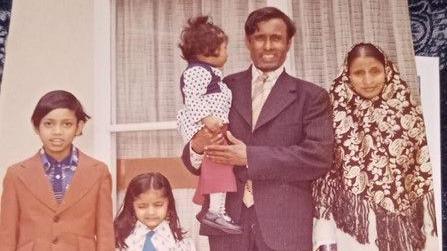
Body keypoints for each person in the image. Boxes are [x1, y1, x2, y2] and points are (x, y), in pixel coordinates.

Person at [181, 7, 334, 251]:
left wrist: (249, 157)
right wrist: (198, 145)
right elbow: (192, 163)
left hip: (285, 228)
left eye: (276, 38)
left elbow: (319, 157)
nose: (268, 46)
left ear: (289, 43)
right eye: (260, 38)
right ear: (248, 41)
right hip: (227, 227)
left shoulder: (312, 97)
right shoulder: (221, 88)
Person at [312, 43, 438, 251]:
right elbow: (326, 189)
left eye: (375, 71)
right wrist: (324, 241)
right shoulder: (332, 119)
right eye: (359, 73)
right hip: (354, 232)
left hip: (412, 230)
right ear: (347, 75)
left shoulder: (411, 116)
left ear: (387, 70)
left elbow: (426, 181)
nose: (368, 81)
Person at [0, 90, 114, 250]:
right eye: (49, 124)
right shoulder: (16, 175)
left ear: (79, 127)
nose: (57, 131)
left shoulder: (99, 172)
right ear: (36, 126)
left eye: (67, 124)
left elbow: (105, 234)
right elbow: (6, 236)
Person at [177, 16, 241, 234]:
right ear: (207, 51)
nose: (228, 53)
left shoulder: (213, 73)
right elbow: (192, 100)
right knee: (219, 165)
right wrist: (206, 119)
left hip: (215, 127)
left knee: (220, 167)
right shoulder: (196, 72)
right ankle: (214, 211)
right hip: (204, 128)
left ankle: (217, 210)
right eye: (224, 48)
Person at [114, 172, 196, 251]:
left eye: (158, 205)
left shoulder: (182, 243)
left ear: (169, 204)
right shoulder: (121, 240)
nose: (151, 212)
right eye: (142, 206)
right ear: (132, 206)